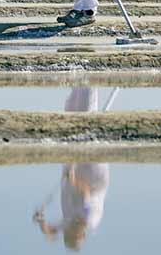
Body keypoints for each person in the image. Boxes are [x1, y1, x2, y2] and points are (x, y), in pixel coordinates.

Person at [32, 87, 111, 251]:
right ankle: (89, 81)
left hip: (76, 177)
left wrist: (42, 224)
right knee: (85, 116)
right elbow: (86, 192)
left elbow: (52, 231)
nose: (72, 231)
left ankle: (81, 79)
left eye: (68, 234)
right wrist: (73, 179)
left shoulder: (68, 227)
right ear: (82, 235)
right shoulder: (90, 219)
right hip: (93, 177)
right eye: (75, 234)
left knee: (71, 110)